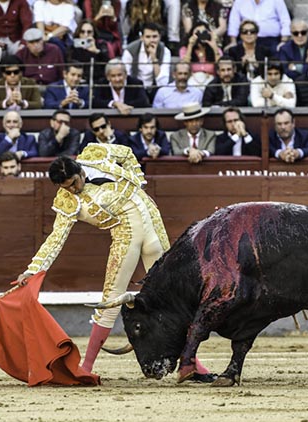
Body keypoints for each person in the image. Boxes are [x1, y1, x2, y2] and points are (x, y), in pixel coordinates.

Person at [15, 144, 216, 381]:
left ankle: (190, 365)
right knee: (111, 299)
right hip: (126, 237)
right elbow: (55, 239)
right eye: (65, 188)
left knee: (171, 298)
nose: (73, 191)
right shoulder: (67, 202)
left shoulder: (95, 154)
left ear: (79, 171)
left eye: (73, 184)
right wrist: (33, 269)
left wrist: (139, 183)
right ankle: (86, 368)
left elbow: (128, 153)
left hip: (150, 222)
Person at [122, 22, 171, 99]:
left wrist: (154, 58)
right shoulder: (130, 50)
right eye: (148, 37)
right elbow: (126, 76)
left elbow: (163, 82)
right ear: (142, 38)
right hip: (135, 89)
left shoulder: (165, 51)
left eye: (154, 37)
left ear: (159, 37)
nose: (151, 40)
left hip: (155, 89)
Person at [226, 0, 291, 55]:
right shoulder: (239, 1)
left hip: (271, 41)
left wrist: (283, 41)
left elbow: (285, 20)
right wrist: (233, 42)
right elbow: (234, 22)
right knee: (233, 52)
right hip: (247, 39)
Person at [180, 21, 222, 89]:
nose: (200, 35)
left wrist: (214, 47)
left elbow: (221, 67)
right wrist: (190, 46)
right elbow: (184, 66)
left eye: (203, 32)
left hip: (211, 82)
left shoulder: (216, 49)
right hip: (192, 82)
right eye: (197, 33)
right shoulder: (185, 49)